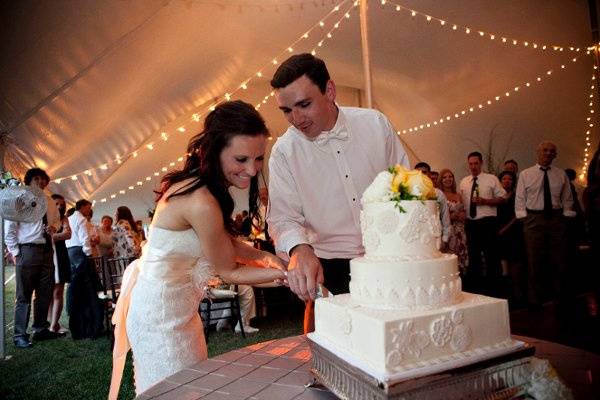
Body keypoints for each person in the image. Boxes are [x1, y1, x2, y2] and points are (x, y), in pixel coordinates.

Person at [109, 100, 286, 399]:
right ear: (215, 151)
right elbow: (227, 268)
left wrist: (267, 257)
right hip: (160, 320)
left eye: (258, 159)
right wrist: (284, 276)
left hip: (180, 312)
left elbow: (223, 242)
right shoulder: (202, 201)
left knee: (192, 389)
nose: (253, 170)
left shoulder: (202, 187)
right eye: (241, 159)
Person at [267, 53, 409, 333]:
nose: (296, 119)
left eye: (304, 105)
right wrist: (300, 248)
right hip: (330, 271)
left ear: (329, 91)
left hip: (390, 260)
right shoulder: (284, 152)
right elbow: (283, 218)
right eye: (286, 110)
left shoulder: (375, 124)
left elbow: (403, 187)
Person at [4, 168, 62, 348]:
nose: (41, 182)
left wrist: (54, 228)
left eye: (43, 179)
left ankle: (40, 329)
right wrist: (16, 252)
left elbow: (57, 221)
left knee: (45, 292)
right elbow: (10, 229)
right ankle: (20, 335)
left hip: (47, 250)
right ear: (29, 181)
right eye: (37, 178)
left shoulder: (50, 202)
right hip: (27, 250)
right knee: (24, 295)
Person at [515, 141, 575, 310]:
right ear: (538, 152)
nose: (548, 153)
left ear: (555, 155)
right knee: (534, 260)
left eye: (552, 151)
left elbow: (567, 197)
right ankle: (535, 299)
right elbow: (520, 198)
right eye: (545, 150)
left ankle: (559, 296)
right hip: (533, 219)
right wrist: (524, 218)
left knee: (559, 259)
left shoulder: (560, 174)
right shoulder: (526, 174)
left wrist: (566, 215)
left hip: (556, 219)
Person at [458, 151, 506, 296]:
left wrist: (485, 201)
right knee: (474, 258)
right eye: (470, 164)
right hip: (471, 224)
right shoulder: (464, 181)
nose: (473, 166)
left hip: (487, 223)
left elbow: (503, 198)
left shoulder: (491, 179)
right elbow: (461, 203)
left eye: (476, 163)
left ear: (481, 163)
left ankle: (495, 290)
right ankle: (477, 291)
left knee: (492, 257)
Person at [65, 199, 104, 339]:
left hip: (70, 253)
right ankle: (93, 327)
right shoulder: (81, 219)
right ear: (82, 207)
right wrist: (88, 255)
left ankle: (78, 326)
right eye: (88, 207)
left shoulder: (68, 218)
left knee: (76, 289)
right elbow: (84, 239)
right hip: (81, 254)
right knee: (89, 289)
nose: (89, 210)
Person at [496, 171, 526, 305]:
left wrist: (504, 229)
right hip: (500, 234)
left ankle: (518, 294)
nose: (507, 181)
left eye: (510, 179)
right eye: (504, 179)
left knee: (516, 263)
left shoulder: (517, 196)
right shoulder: (497, 196)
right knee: (503, 264)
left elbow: (517, 215)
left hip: (514, 233)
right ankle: (506, 294)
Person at [414, 162, 451, 251]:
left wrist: (445, 239)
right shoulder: (408, 194)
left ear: (429, 174)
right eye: (417, 172)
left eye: (424, 172)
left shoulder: (438, 193)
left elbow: (445, 217)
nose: (421, 175)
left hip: (435, 238)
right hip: (416, 240)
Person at [438, 168, 468, 273]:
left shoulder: (458, 195)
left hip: (460, 229)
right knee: (449, 255)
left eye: (450, 176)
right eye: (444, 177)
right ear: (441, 180)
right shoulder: (439, 195)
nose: (448, 179)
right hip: (448, 230)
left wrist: (462, 214)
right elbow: (438, 215)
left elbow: (464, 210)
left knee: (461, 253)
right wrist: (452, 216)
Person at [49, 194, 72, 334]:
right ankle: (50, 323)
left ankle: (54, 324)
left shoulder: (64, 219)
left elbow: (68, 234)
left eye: (62, 204)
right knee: (47, 292)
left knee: (58, 290)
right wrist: (58, 236)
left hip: (61, 255)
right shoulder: (45, 218)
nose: (60, 206)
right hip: (47, 255)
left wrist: (50, 237)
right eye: (57, 203)